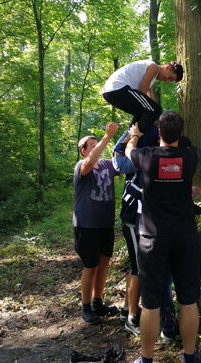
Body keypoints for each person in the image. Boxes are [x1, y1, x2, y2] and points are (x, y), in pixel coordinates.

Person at [125, 112, 201, 363]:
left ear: (159, 133)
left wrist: (134, 136)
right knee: (188, 300)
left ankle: (147, 360)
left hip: (152, 238)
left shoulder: (146, 156)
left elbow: (128, 152)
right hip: (184, 235)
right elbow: (177, 177)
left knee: (150, 303)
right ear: (180, 134)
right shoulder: (191, 156)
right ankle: (189, 357)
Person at [73, 122, 120, 325]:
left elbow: (122, 157)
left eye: (97, 143)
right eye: (92, 145)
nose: (96, 147)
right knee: (90, 265)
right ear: (83, 151)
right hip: (86, 224)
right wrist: (106, 137)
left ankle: (97, 302)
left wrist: (131, 134)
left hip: (105, 223)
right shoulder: (81, 166)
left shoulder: (108, 165)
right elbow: (90, 162)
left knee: (103, 263)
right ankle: (85, 308)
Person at [102, 60, 183, 133]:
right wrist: (155, 115)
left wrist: (156, 118)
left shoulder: (152, 77)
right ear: (167, 67)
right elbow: (143, 91)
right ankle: (132, 137)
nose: (167, 81)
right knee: (157, 109)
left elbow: (150, 97)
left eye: (170, 81)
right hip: (118, 88)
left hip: (109, 93)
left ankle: (125, 142)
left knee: (140, 114)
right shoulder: (154, 68)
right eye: (169, 77)